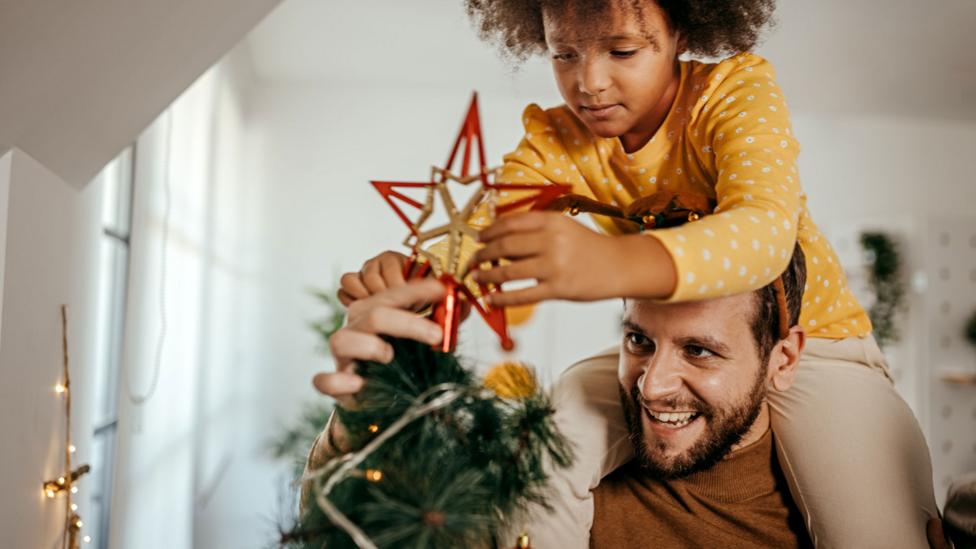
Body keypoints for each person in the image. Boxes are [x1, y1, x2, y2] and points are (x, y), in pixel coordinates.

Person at [337, 0, 939, 546]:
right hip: (670, 342)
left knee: (872, 529)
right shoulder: (557, 141)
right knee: (558, 435)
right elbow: (484, 231)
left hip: (823, 348)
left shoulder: (733, 93)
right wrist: (417, 279)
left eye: (621, 51)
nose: (588, 82)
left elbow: (765, 233)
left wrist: (614, 261)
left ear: (680, 30)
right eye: (564, 54)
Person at [314, 244, 812, 547]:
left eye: (700, 351)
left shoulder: (825, 519)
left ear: (782, 360)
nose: (652, 386)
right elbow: (355, 535)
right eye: (639, 341)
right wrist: (374, 403)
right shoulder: (542, 478)